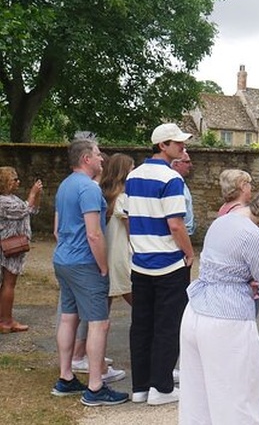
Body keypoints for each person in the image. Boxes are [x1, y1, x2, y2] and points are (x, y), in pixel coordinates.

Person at [179, 189, 259, 424]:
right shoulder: (254, 236)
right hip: (228, 317)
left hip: (196, 309)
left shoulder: (223, 221)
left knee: (197, 397)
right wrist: (252, 282)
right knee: (241, 397)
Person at [51, 139, 129, 405]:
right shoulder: (89, 189)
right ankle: (95, 387)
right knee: (99, 323)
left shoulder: (65, 185)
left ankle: (66, 377)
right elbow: (94, 234)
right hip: (85, 263)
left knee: (68, 319)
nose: (101, 159)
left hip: (63, 259)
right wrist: (104, 266)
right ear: (86, 159)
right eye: (97, 155)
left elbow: (56, 229)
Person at [125, 123, 195, 406]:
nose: (182, 147)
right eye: (177, 143)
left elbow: (129, 217)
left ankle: (140, 386)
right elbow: (176, 224)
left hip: (141, 261)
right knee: (168, 325)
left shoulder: (133, 176)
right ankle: (162, 387)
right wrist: (189, 253)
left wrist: (138, 246)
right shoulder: (171, 179)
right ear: (162, 146)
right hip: (167, 263)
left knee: (141, 324)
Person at [0, 167, 42, 333]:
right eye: (14, 179)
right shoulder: (3, 201)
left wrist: (37, 196)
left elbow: (32, 210)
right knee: (9, 283)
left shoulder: (12, 198)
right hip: (9, 246)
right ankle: (6, 321)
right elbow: (24, 209)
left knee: (6, 283)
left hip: (12, 245)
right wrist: (32, 194)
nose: (18, 182)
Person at [100, 153, 135, 307]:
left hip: (109, 251)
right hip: (120, 252)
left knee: (107, 295)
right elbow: (130, 230)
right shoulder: (122, 199)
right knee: (130, 290)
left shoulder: (107, 196)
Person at [170, 151, 195, 236]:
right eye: (187, 162)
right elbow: (175, 221)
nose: (190, 165)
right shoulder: (173, 185)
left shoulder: (181, 182)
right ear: (176, 164)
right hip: (179, 235)